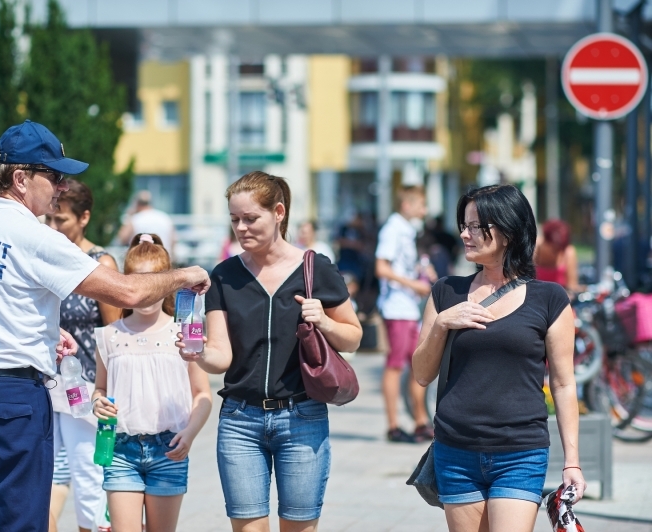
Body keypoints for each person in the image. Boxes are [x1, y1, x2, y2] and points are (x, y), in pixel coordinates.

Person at [0, 119, 209, 532]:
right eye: (54, 176)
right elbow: (128, 293)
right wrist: (185, 275)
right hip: (8, 400)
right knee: (19, 523)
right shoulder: (34, 236)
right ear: (21, 179)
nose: (61, 188)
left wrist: (40, 332)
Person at [179, 171, 362, 532]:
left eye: (250, 218)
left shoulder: (315, 269)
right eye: (234, 220)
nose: (241, 228)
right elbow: (222, 357)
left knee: (299, 526)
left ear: (278, 212)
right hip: (240, 422)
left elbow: (353, 337)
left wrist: (323, 321)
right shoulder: (225, 275)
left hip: (302, 417)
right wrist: (197, 352)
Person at [412, 184, 586, 532]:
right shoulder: (446, 292)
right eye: (464, 224)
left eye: (476, 226)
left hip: (520, 451)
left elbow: (564, 383)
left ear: (507, 231)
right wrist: (443, 324)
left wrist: (572, 462)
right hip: (456, 450)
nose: (464, 233)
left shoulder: (549, 299)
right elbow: (421, 373)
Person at [91, 233, 212, 532]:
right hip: (120, 450)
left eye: (155, 281)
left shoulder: (183, 334)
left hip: (169, 449)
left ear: (168, 284)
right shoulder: (108, 335)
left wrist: (190, 433)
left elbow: (202, 395)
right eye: (139, 281)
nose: (147, 290)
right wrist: (97, 402)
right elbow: (100, 387)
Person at [46, 179, 122, 532]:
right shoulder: (45, 255)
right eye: (49, 219)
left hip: (86, 390)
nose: (53, 227)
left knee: (89, 481)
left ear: (84, 218)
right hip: (46, 386)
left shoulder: (98, 262)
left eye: (60, 220)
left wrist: (107, 393)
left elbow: (114, 335)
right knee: (48, 478)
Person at [375, 186, 434, 443]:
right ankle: (393, 425)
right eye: (421, 204)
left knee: (416, 363)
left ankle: (420, 421)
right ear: (407, 206)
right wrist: (414, 285)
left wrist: (424, 270)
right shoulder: (392, 229)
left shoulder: (408, 230)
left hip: (408, 307)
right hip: (396, 306)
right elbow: (381, 268)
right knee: (395, 364)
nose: (425, 210)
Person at [535, 219, 580, 292]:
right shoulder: (535, 249)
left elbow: (572, 287)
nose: (558, 253)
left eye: (561, 249)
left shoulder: (568, 252)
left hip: (559, 300)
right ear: (545, 241)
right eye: (555, 250)